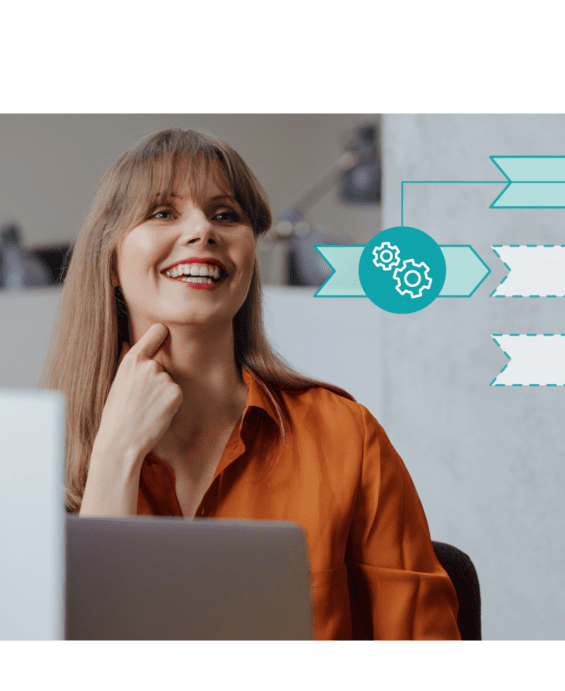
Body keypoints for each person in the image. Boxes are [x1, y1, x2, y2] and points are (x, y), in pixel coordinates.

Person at [41, 128, 461, 640]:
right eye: (162, 212)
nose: (202, 231)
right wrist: (115, 456)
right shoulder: (36, 459)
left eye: (225, 214)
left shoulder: (346, 437)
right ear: (110, 260)